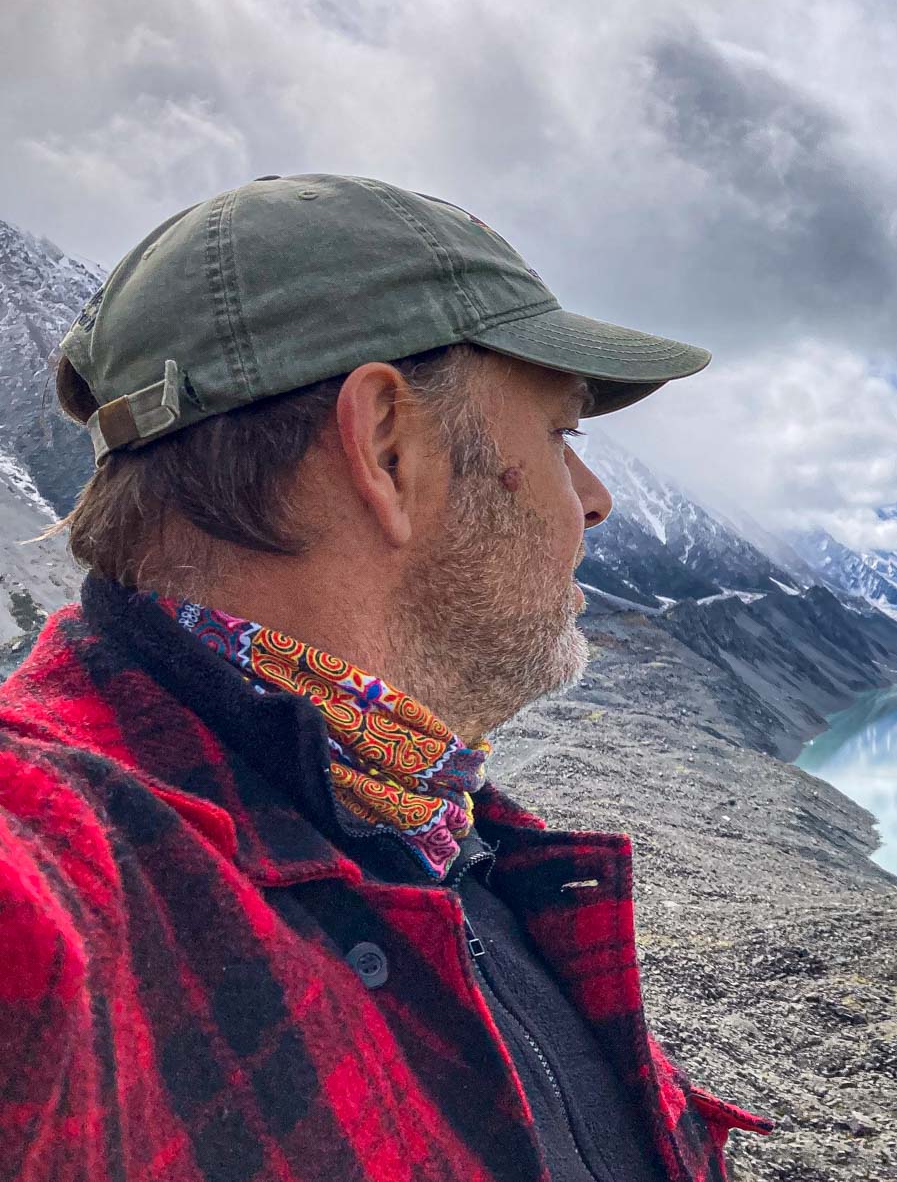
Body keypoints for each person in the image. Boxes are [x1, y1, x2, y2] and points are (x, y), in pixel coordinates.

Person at [0, 174, 770, 1181]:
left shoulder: (424, 817)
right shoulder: (59, 865)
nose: (595, 498)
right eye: (561, 434)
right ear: (389, 448)